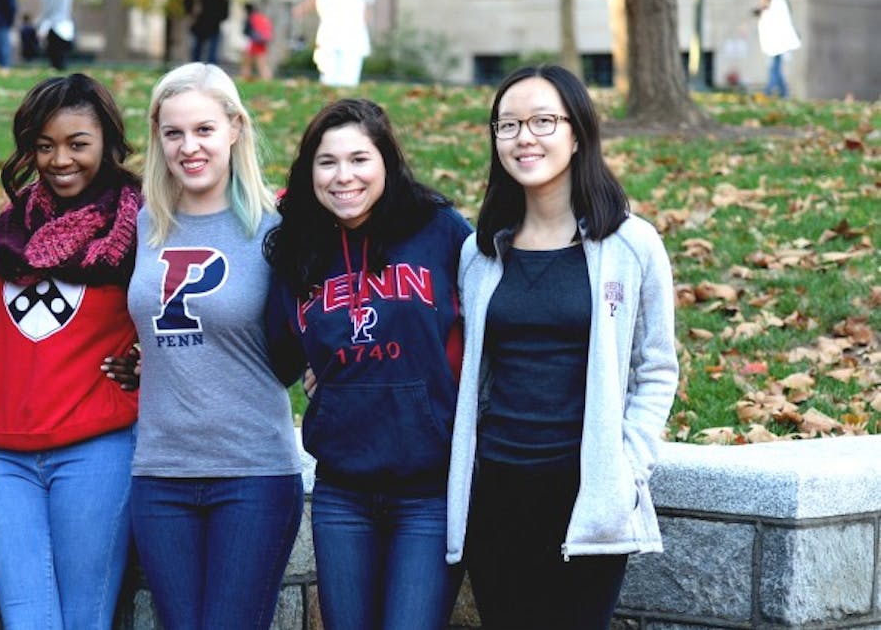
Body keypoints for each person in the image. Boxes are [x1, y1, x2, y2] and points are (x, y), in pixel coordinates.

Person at [446, 64, 679, 629]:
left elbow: (656, 366)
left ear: (577, 134)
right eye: (508, 125)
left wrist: (629, 466)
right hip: (497, 490)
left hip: (588, 490)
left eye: (543, 121)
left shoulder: (630, 243)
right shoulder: (480, 254)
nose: (525, 137)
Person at [264, 99, 471, 630]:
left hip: (429, 488)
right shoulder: (297, 248)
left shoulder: (440, 230)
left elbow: (491, 325)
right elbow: (279, 355)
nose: (343, 177)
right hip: (342, 492)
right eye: (327, 162)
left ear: (387, 162)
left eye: (360, 159)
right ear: (309, 172)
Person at [126, 62, 304, 630]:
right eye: (173, 133)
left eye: (203, 129)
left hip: (253, 471)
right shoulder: (143, 224)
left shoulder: (277, 229)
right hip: (159, 472)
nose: (188, 147)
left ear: (235, 128)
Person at [0, 73, 143, 629]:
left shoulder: (140, 227)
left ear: (107, 143)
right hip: (8, 458)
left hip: (96, 451)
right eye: (45, 145)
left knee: (84, 621)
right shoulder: (8, 231)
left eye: (78, 144)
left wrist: (148, 362)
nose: (60, 160)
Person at [313, 0, 376, 88]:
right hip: (353, 26)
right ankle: (348, 87)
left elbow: (320, 2)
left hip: (332, 25)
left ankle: (329, 85)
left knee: (330, 61)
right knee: (351, 61)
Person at [755, 0, 800, 98]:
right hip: (773, 43)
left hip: (778, 42)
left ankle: (769, 92)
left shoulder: (777, 0)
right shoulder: (769, 2)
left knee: (774, 68)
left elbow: (779, 21)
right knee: (775, 68)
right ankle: (783, 93)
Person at [240, 2, 274, 81]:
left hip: (254, 43)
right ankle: (267, 79)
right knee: (262, 64)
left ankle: (244, 78)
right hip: (262, 43)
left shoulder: (251, 18)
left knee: (247, 63)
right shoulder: (261, 17)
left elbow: (246, 31)